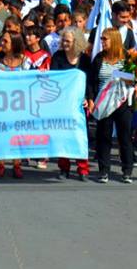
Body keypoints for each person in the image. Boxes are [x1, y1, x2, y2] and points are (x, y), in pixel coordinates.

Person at [87, 27, 135, 183]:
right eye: (101, 39)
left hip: (121, 102)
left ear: (114, 40)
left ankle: (127, 170)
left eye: (104, 39)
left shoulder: (127, 57)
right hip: (103, 102)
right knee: (104, 137)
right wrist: (91, 99)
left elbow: (134, 78)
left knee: (124, 137)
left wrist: (118, 74)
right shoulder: (99, 58)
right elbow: (92, 81)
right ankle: (104, 170)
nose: (102, 42)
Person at [49, 26, 93, 181]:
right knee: (63, 136)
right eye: (63, 40)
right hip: (62, 104)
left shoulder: (85, 60)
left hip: (80, 104)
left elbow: (89, 82)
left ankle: (83, 168)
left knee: (80, 136)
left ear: (76, 42)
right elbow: (54, 79)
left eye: (68, 41)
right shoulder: (58, 57)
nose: (64, 43)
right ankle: (64, 168)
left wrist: (89, 98)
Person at [0, 32, 29, 180]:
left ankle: (17, 165)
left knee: (18, 136)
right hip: (1, 106)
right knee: (1, 136)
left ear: (14, 44)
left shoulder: (25, 62)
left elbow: (33, 81)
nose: (2, 43)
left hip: (20, 106)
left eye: (5, 41)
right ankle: (0, 165)